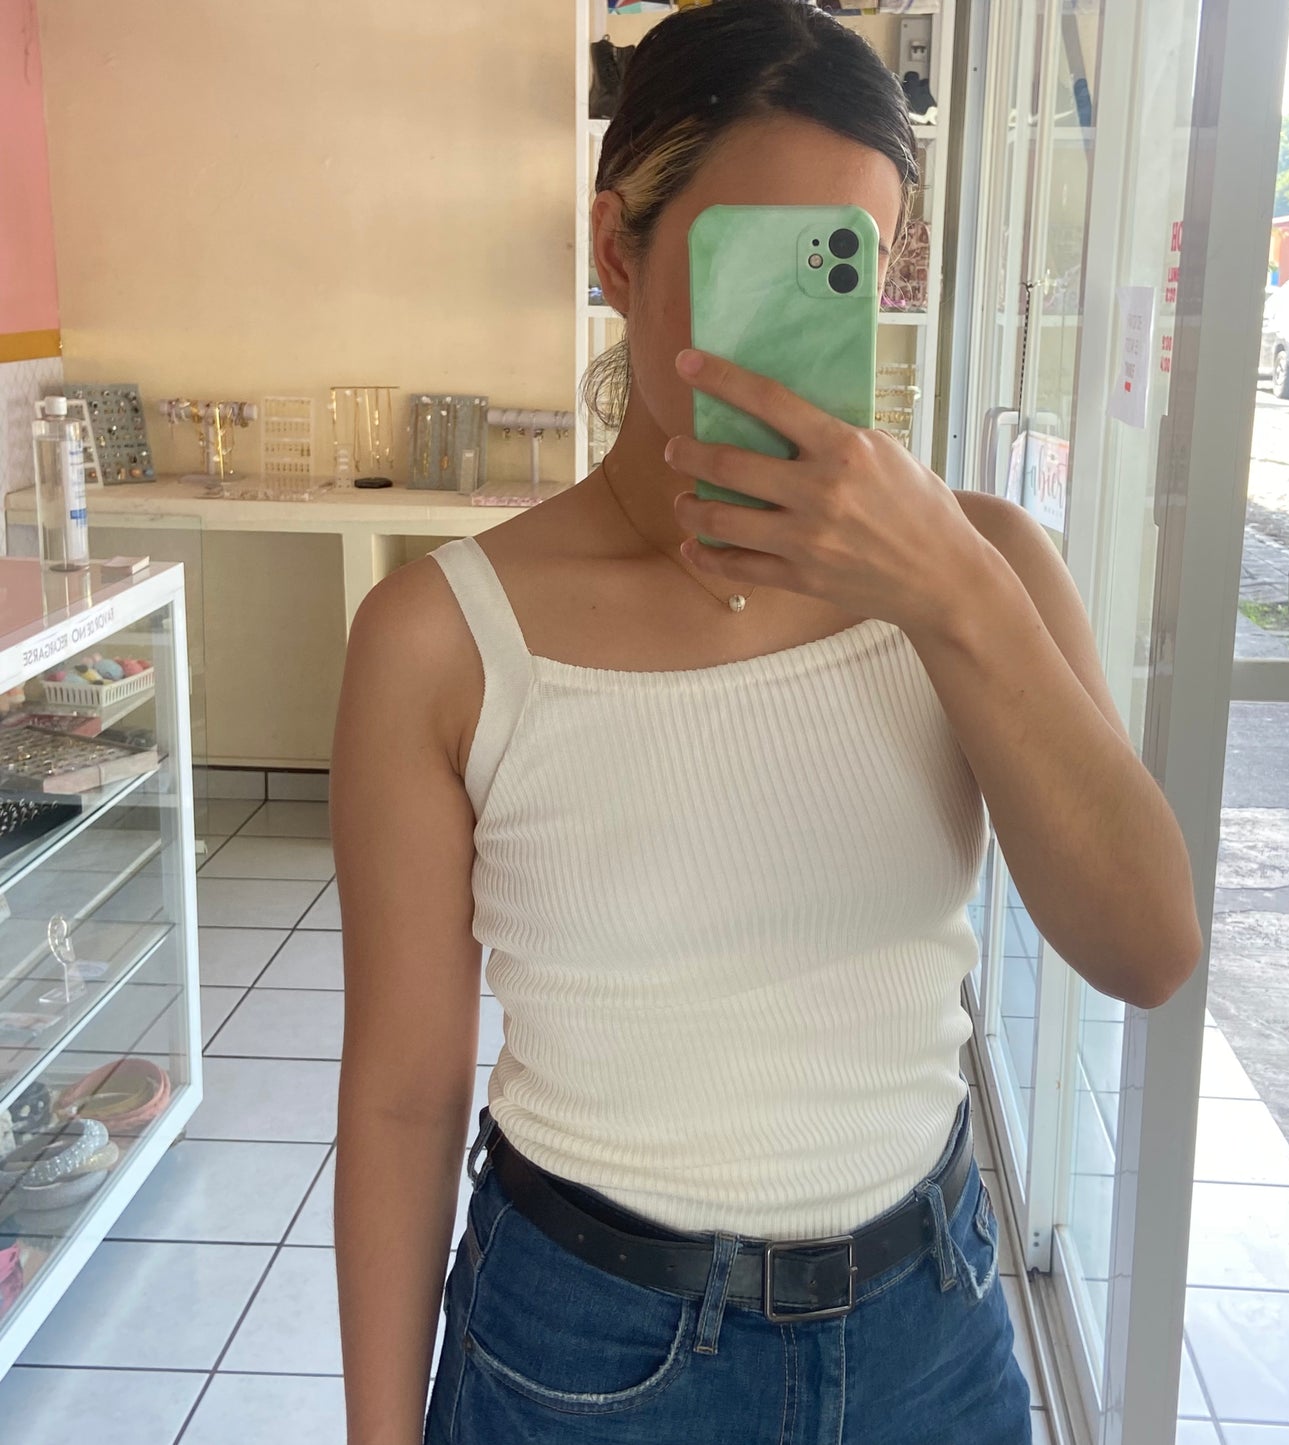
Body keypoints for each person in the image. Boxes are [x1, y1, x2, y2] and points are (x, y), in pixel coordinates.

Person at [331, 3, 1202, 1442]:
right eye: (762, 264)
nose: (797, 338)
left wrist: (953, 599)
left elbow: (1146, 947)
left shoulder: (982, 570)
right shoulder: (439, 638)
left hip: (928, 1331)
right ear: (617, 251)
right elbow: (404, 1096)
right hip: (583, 1349)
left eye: (842, 266)